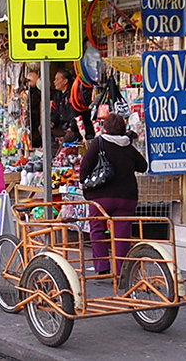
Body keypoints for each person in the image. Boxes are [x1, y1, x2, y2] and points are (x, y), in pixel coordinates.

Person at [79, 113, 147, 275]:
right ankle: (122, 271)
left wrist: (84, 183)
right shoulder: (128, 146)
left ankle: (102, 267)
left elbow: (85, 166)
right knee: (122, 236)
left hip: (101, 197)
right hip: (127, 197)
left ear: (106, 128)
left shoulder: (99, 143)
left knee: (97, 229)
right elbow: (142, 166)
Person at [26, 63, 42, 148]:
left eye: (29, 80)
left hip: (36, 115)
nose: (28, 82)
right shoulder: (31, 90)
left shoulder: (38, 90)